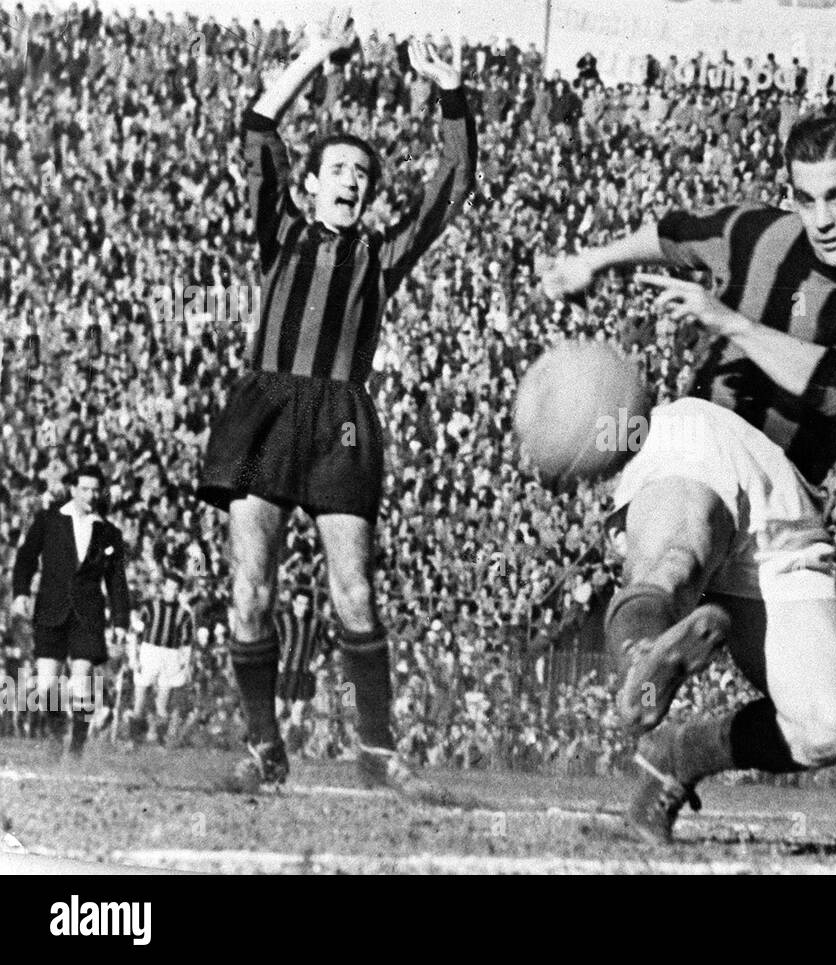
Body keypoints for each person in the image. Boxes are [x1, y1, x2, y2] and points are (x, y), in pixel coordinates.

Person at [541, 113, 836, 843]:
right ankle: (644, 663)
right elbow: (669, 231)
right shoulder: (757, 233)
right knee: (678, 552)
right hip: (703, 432)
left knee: (832, 725)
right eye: (805, 197)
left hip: (790, 495)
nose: (820, 218)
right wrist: (592, 261)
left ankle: (678, 754)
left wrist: (731, 323)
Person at [194, 8, 476, 794]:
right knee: (250, 586)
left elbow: (453, 184)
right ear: (309, 182)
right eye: (338, 169)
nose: (352, 180)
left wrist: (451, 94)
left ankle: (378, 750)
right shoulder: (278, 230)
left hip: (342, 417)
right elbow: (257, 127)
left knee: (355, 588)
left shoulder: (380, 256)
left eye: (363, 174)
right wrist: (315, 55)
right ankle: (262, 745)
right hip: (266, 409)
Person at [10, 463, 130, 756]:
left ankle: (76, 748)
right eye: (84, 489)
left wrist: (120, 620)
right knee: (47, 685)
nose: (90, 495)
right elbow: (25, 558)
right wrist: (21, 592)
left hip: (87, 615)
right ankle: (55, 734)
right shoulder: (49, 520)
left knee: (80, 683)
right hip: (51, 610)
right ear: (73, 489)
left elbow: (116, 579)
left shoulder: (108, 532)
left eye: (95, 490)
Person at [126, 569, 194, 746]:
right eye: (169, 587)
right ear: (163, 587)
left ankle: (161, 741)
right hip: (149, 653)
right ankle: (133, 741)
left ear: (179, 591)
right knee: (140, 700)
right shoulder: (149, 607)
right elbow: (134, 633)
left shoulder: (184, 614)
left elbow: (186, 645)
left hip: (171, 656)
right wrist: (133, 657)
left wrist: (184, 666)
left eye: (175, 589)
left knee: (162, 705)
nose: (171, 592)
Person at [276, 585, 331, 754]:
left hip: (304, 673)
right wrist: (276, 660)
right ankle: (262, 745)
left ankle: (292, 751)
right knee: (277, 709)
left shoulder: (315, 622)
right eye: (299, 603)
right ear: (293, 602)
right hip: (285, 672)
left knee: (297, 712)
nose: (302, 607)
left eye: (306, 604)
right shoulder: (282, 619)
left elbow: (327, 645)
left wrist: (318, 662)